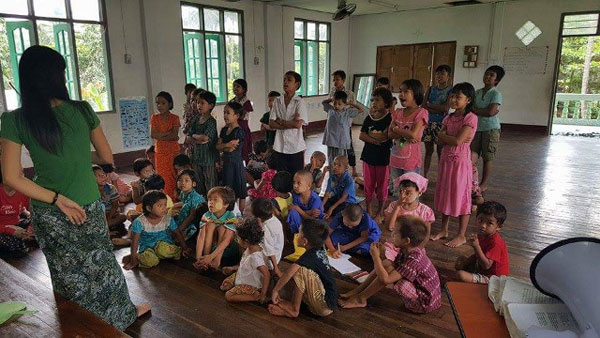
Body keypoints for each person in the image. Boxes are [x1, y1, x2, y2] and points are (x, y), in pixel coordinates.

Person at [0, 45, 146, 329]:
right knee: (101, 264)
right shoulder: (81, 109)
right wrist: (80, 155)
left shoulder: (14, 119)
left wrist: (56, 199)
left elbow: (11, 177)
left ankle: (80, 326)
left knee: (65, 272)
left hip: (48, 210)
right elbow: (106, 158)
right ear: (58, 76)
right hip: (87, 204)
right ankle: (123, 317)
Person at [340, 215, 441, 314]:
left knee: (398, 282)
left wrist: (376, 257)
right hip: (423, 293)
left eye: (395, 233)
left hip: (425, 303)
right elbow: (392, 265)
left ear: (406, 241)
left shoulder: (413, 260)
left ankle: (361, 299)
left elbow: (386, 280)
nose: (392, 234)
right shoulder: (407, 250)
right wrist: (382, 255)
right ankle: (359, 291)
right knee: (386, 265)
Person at [431, 83, 478, 248]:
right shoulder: (448, 117)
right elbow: (439, 138)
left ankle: (461, 235)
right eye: (452, 96)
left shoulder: (470, 118)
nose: (453, 100)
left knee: (461, 196)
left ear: (468, 100)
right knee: (445, 193)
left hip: (460, 163)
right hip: (446, 160)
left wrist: (446, 136)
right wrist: (447, 136)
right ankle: (444, 230)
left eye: (458, 97)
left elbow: (458, 141)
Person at [268, 219, 338, 318]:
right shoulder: (319, 247)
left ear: (305, 241)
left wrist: (275, 290)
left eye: (299, 233)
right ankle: (298, 305)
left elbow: (289, 273)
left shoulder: (309, 257)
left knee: (300, 270)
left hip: (324, 305)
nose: (296, 235)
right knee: (299, 269)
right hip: (327, 300)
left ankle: (294, 309)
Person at [123, 190, 181, 269]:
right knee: (150, 261)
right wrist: (133, 262)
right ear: (149, 208)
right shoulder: (139, 222)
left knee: (163, 250)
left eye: (165, 205)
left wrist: (185, 247)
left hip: (164, 245)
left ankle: (172, 252)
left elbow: (178, 233)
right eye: (160, 206)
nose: (164, 208)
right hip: (147, 248)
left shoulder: (167, 219)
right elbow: (135, 242)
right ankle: (137, 257)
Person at [388, 79, 428, 193]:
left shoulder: (421, 112)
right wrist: (403, 133)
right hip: (395, 160)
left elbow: (414, 135)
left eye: (406, 92)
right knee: (397, 192)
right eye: (400, 91)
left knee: (411, 193)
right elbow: (389, 134)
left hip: (411, 162)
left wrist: (396, 129)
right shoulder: (398, 112)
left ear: (416, 94)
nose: (401, 94)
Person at [383, 173, 434, 260]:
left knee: (415, 262)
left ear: (419, 193)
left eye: (408, 193)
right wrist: (397, 207)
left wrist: (416, 251)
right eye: (400, 191)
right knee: (385, 257)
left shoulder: (425, 211)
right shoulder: (393, 206)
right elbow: (389, 227)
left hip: (414, 247)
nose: (403, 196)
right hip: (395, 244)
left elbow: (425, 236)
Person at [360, 87, 393, 221]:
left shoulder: (390, 118)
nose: (373, 102)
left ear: (386, 103)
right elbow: (362, 135)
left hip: (383, 159)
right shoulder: (369, 118)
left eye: (377, 100)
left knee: (382, 187)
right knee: (368, 185)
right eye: (372, 100)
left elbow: (387, 136)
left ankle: (379, 211)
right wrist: (375, 140)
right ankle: (368, 208)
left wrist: (373, 138)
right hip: (368, 157)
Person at [456, 201, 509, 284]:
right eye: (480, 220)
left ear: (499, 227)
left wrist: (476, 246)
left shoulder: (496, 243)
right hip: (483, 271)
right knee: (461, 262)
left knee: (461, 275)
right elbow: (481, 253)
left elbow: (486, 266)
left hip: (495, 280)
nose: (483, 225)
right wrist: (467, 261)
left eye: (489, 223)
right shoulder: (483, 234)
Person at [471, 66, 505, 194]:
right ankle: (471, 179)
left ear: (496, 80)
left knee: (487, 156)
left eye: (491, 75)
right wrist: (483, 111)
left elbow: (491, 112)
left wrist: (477, 111)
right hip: (476, 128)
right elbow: (474, 108)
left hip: (490, 129)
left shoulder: (496, 93)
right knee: (472, 154)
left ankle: (484, 183)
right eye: (486, 74)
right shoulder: (477, 92)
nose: (488, 77)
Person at [220, 217, 270, 303]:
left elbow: (267, 274)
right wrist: (233, 268)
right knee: (224, 285)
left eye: (238, 238)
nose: (237, 239)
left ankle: (255, 296)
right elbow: (245, 265)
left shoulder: (255, 257)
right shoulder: (249, 248)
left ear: (246, 241)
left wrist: (263, 294)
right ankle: (238, 287)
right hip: (242, 276)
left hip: (251, 285)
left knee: (228, 296)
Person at [269, 71, 308, 174]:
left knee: (296, 177)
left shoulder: (299, 102)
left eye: (289, 80)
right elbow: (271, 124)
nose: (285, 82)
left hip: (296, 147)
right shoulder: (277, 101)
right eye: (284, 80)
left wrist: (280, 121)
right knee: (282, 177)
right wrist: (290, 123)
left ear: (297, 85)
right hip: (280, 146)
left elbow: (297, 124)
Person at [194, 186, 238, 270]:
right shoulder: (207, 215)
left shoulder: (231, 216)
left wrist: (211, 257)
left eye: (215, 200)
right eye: (210, 199)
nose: (211, 202)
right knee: (210, 224)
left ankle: (216, 261)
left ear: (225, 204)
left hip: (227, 249)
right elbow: (201, 237)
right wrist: (198, 258)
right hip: (212, 248)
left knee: (222, 228)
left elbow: (227, 241)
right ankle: (204, 259)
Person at [286, 170, 324, 261]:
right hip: (303, 221)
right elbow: (295, 210)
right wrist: (308, 212)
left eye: (299, 183)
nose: (295, 185)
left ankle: (304, 242)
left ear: (309, 186)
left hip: (315, 225)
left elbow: (313, 221)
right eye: (294, 182)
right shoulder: (295, 195)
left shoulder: (315, 200)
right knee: (292, 214)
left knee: (296, 211)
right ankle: (297, 239)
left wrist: (299, 210)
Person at [187, 89, 219, 196]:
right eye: (197, 102)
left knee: (210, 184)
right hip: (196, 157)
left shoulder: (211, 121)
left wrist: (194, 136)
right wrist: (197, 138)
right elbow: (188, 137)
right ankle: (201, 205)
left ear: (210, 105)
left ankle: (212, 205)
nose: (198, 105)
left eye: (202, 103)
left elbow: (205, 138)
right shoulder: (195, 119)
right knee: (198, 183)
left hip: (208, 158)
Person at [217, 101, 247, 213]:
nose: (225, 115)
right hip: (226, 164)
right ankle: (230, 212)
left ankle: (240, 215)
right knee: (228, 190)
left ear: (236, 116)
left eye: (228, 113)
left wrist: (223, 147)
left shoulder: (239, 131)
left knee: (240, 192)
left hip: (236, 163)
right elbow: (218, 146)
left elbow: (231, 148)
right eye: (224, 112)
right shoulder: (224, 130)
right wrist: (225, 146)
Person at [422, 65, 452, 178]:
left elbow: (445, 108)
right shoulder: (430, 89)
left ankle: (442, 176)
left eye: (442, 74)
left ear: (448, 76)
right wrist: (436, 108)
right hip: (429, 123)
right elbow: (423, 106)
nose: (439, 76)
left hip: (442, 124)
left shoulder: (450, 91)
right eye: (437, 74)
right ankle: (424, 175)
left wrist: (430, 106)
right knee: (428, 151)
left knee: (441, 151)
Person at [151, 91, 180, 199]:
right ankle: (165, 198)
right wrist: (168, 133)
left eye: (163, 103)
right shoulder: (154, 117)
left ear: (169, 104)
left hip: (173, 151)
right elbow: (153, 134)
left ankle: (175, 198)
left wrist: (161, 135)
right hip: (160, 152)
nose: (160, 106)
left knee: (173, 175)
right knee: (162, 176)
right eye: (158, 103)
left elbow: (174, 135)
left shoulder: (174, 118)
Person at [328, 70, 359, 177]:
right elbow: (330, 106)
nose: (335, 82)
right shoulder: (332, 92)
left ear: (343, 80)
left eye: (337, 79)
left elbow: (354, 108)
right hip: (334, 125)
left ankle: (353, 167)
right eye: (334, 80)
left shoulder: (350, 94)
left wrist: (346, 107)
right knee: (333, 149)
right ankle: (335, 169)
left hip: (346, 125)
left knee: (349, 147)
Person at [322, 91, 364, 167]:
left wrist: (350, 103)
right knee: (331, 161)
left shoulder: (347, 112)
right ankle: (333, 177)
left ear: (345, 104)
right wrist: (331, 99)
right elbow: (323, 102)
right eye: (335, 103)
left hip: (341, 142)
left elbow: (361, 110)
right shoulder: (330, 110)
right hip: (331, 140)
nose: (336, 106)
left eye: (340, 104)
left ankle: (341, 177)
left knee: (340, 161)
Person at [0, 166, 34, 257]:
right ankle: (22, 244)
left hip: (17, 224)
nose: (21, 178)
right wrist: (11, 231)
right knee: (9, 243)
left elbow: (33, 213)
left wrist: (30, 228)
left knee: (40, 229)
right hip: (2, 228)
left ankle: (25, 240)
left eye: (21, 174)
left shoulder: (23, 192)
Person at [251, 198, 284, 278]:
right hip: (278, 253)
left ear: (258, 218)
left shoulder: (265, 230)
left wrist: (276, 268)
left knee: (249, 248)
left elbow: (270, 251)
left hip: (270, 262)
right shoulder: (275, 220)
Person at [171, 169, 206, 246]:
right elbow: (185, 203)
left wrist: (179, 230)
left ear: (194, 184)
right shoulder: (183, 192)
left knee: (174, 240)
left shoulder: (195, 198)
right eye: (180, 180)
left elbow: (191, 216)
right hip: (186, 218)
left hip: (194, 224)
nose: (182, 183)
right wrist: (171, 206)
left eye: (186, 181)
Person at [322, 156, 357, 220]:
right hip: (337, 199)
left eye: (339, 165)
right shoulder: (332, 178)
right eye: (334, 164)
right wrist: (321, 206)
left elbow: (344, 198)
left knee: (342, 210)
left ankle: (333, 211)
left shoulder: (349, 180)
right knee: (320, 201)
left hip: (347, 202)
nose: (335, 167)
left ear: (346, 168)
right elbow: (327, 194)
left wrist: (331, 208)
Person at [93, 165, 126, 229]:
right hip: (98, 215)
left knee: (123, 217)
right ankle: (104, 226)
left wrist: (108, 218)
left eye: (104, 174)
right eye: (100, 176)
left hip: (110, 213)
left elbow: (115, 205)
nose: (104, 177)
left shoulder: (111, 188)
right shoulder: (91, 191)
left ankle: (103, 226)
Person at [230, 79, 254, 163]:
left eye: (238, 86)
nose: (235, 88)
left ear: (244, 90)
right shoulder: (232, 101)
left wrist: (233, 116)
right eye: (234, 86)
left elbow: (242, 115)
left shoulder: (246, 102)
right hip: (233, 126)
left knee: (244, 148)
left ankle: (246, 167)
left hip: (242, 126)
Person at [182, 83, 197, 156]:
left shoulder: (204, 114)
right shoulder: (187, 109)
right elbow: (185, 128)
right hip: (190, 141)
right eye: (190, 92)